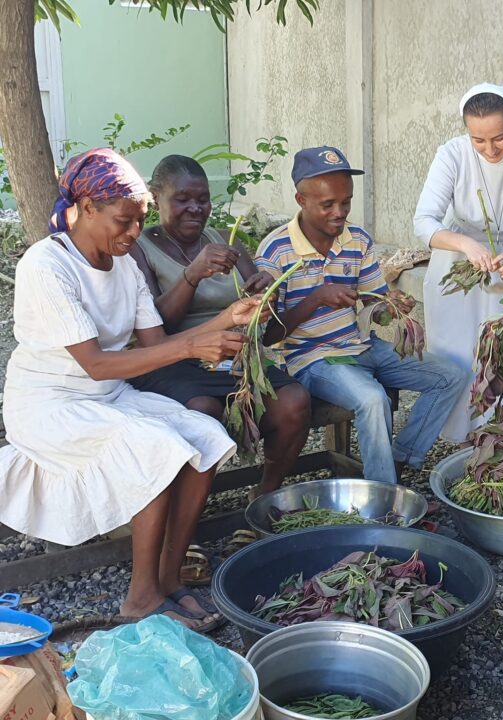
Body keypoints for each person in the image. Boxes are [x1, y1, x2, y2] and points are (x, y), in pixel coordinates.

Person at [0, 148, 265, 631]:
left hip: (107, 395)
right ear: (84, 208)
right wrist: (194, 348)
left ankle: (168, 578)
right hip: (49, 405)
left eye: (140, 222)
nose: (132, 234)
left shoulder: (122, 264)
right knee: (156, 449)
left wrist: (229, 318)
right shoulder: (47, 266)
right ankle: (140, 597)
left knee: (205, 437)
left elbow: (158, 342)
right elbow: (97, 364)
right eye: (123, 222)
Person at [256, 146, 470, 484]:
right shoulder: (275, 250)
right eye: (327, 205)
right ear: (301, 200)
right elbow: (269, 337)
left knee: (452, 376)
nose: (339, 213)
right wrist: (315, 299)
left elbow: (374, 307)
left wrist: (391, 306)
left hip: (363, 346)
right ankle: (383, 504)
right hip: (313, 359)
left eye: (346, 202)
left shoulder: (357, 239)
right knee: (372, 400)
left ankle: (398, 461)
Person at [128, 155, 311, 498]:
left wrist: (265, 293)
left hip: (235, 359)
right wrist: (192, 275)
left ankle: (266, 493)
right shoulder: (140, 250)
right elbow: (155, 329)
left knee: (295, 400)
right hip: (171, 362)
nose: (195, 208)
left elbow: (259, 312)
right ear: (156, 197)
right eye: (182, 199)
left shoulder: (227, 239)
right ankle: (182, 513)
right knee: (203, 411)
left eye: (202, 199)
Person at [414, 82, 503, 441]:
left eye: (500, 137)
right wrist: (465, 244)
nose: (490, 148)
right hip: (458, 259)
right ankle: (457, 437)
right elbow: (424, 222)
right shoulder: (450, 155)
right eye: (478, 140)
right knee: (458, 349)